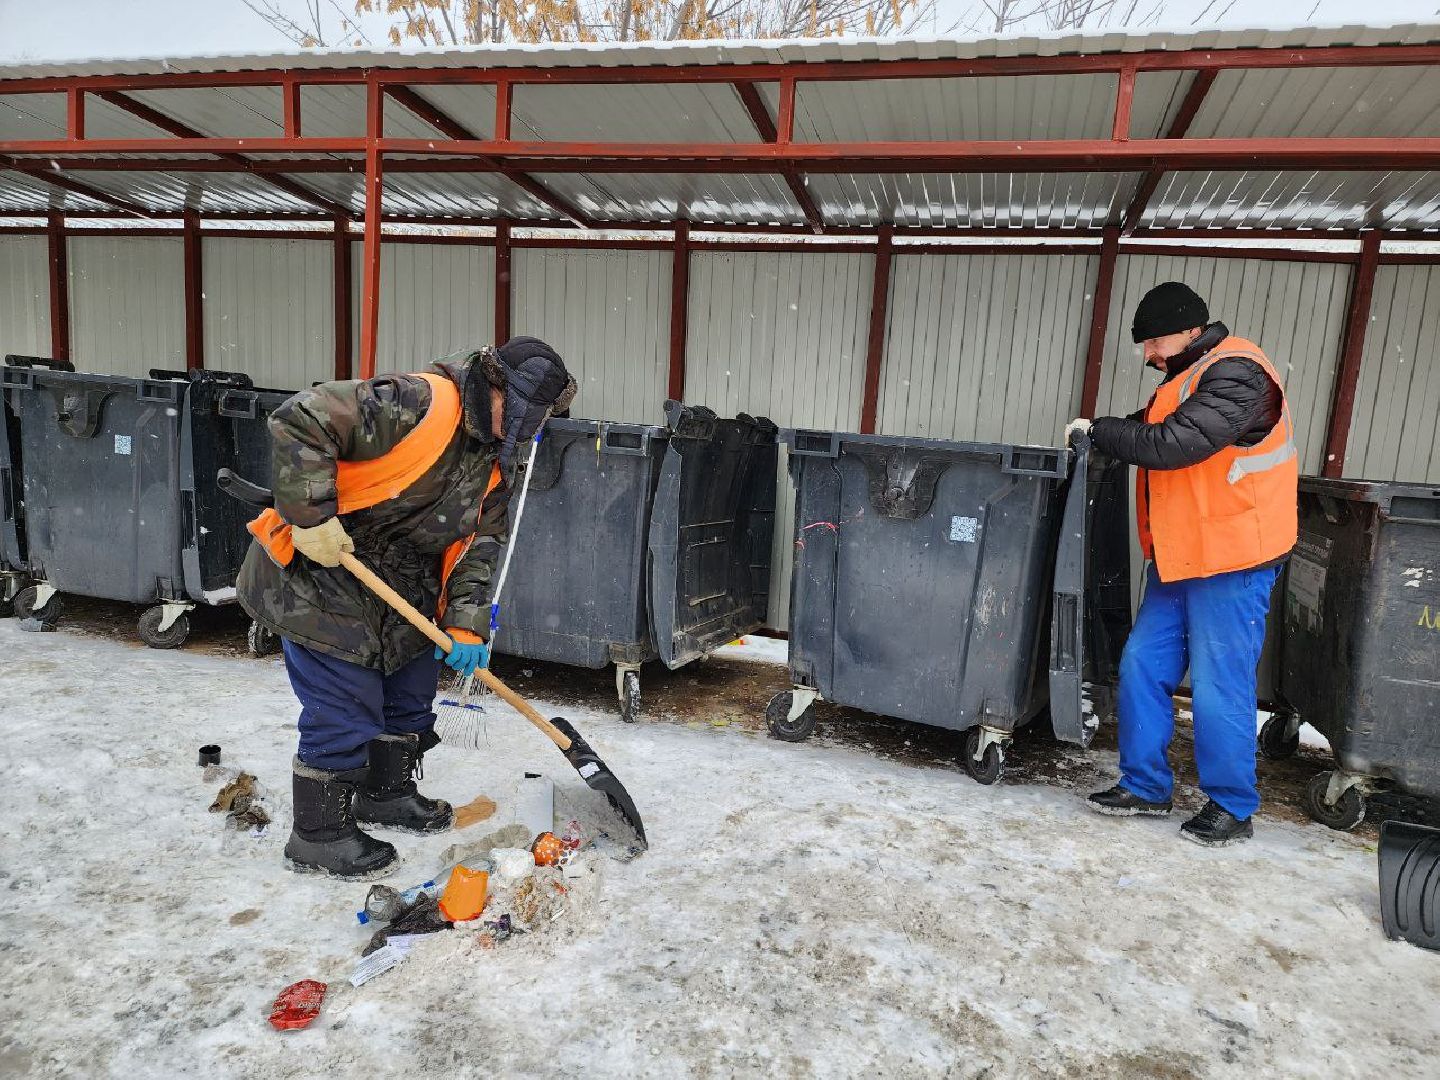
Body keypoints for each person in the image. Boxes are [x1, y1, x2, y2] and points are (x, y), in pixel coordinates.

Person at [237, 337, 576, 879]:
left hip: (403, 581)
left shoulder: (497, 462)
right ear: (495, 389)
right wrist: (310, 516)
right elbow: (301, 418)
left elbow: (479, 546)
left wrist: (465, 626)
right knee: (344, 704)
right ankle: (318, 834)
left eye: (539, 419)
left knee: (410, 690)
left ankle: (384, 793)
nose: (530, 428)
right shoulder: (419, 403)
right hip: (327, 566)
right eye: (524, 413)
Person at [1067, 282, 1297, 847]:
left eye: (1154, 340)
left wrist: (1100, 431)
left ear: (1191, 329)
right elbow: (1153, 427)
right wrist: (1105, 432)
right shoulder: (1186, 376)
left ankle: (1232, 806)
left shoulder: (1239, 372)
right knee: (1143, 664)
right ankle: (1145, 786)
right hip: (1180, 556)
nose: (1148, 353)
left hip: (1233, 556)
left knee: (1221, 684)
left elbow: (1174, 443)